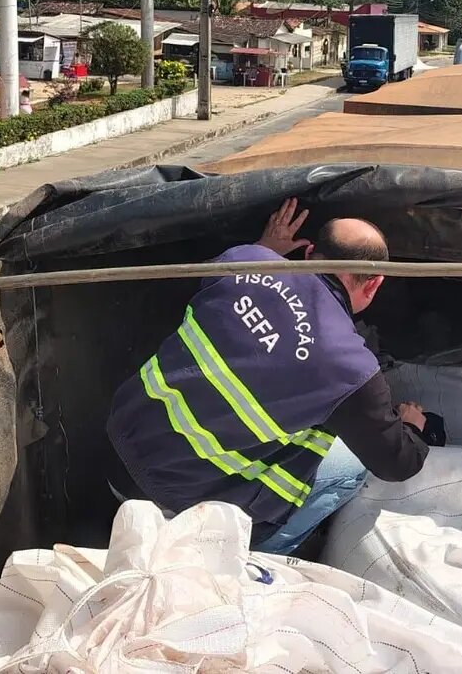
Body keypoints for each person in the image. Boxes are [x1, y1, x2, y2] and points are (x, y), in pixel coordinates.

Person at [106, 198, 433, 554]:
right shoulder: (350, 367)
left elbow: (247, 283)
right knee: (352, 466)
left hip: (120, 455)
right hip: (187, 510)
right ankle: (252, 558)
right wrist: (412, 427)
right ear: (373, 286)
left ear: (309, 253)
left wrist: (264, 249)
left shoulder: (241, 260)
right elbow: (396, 463)